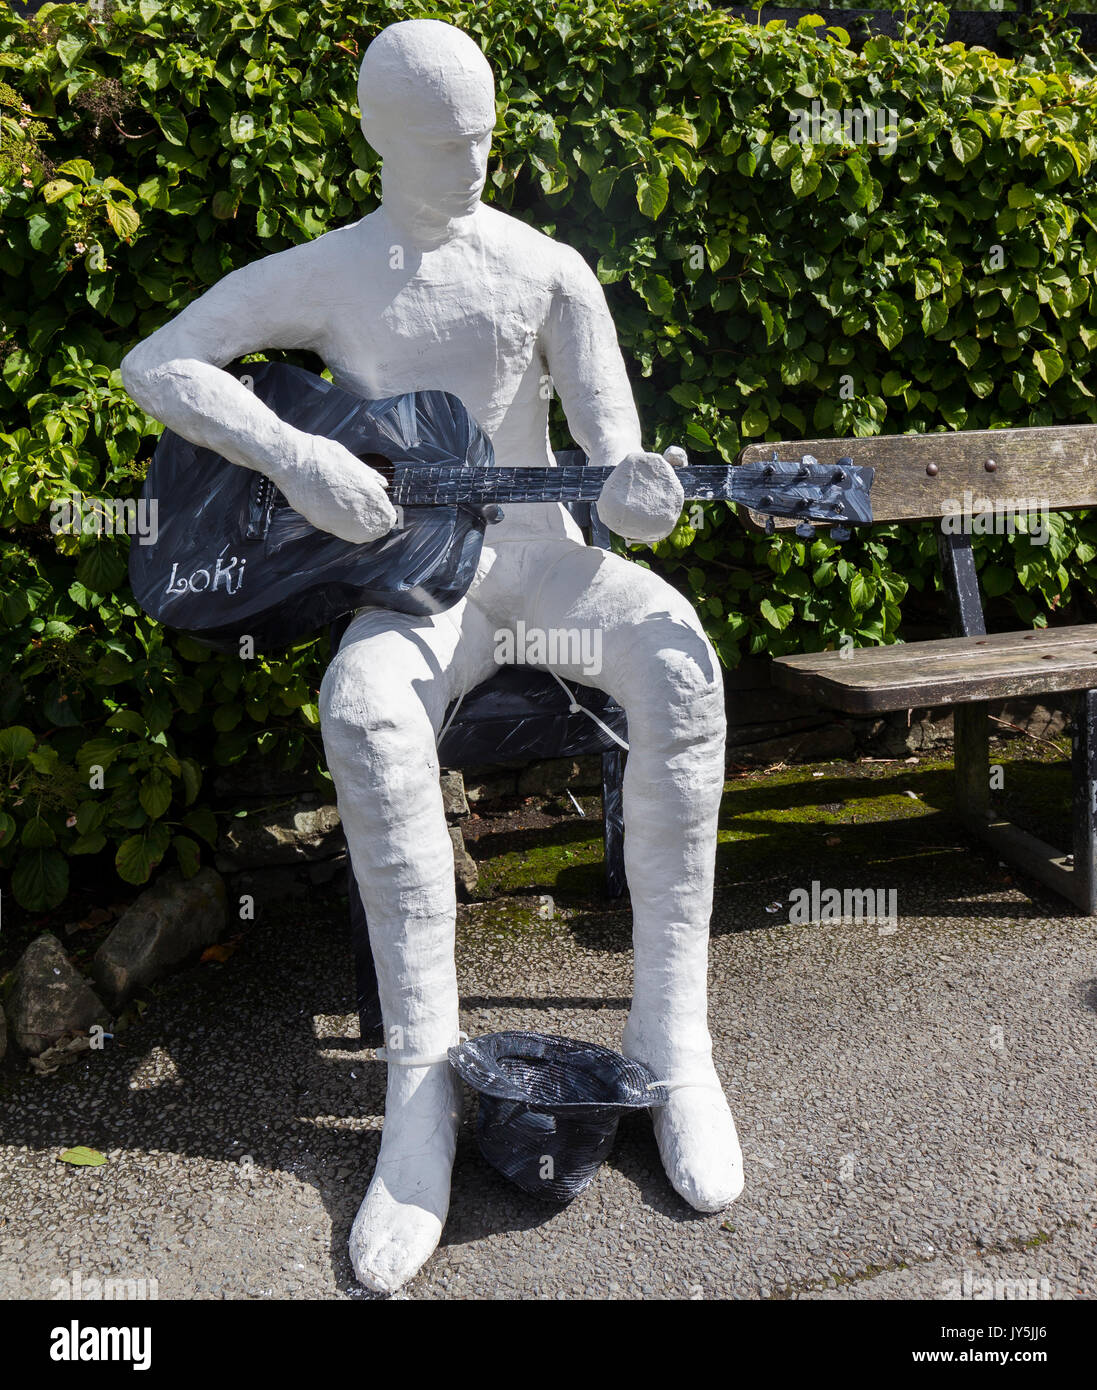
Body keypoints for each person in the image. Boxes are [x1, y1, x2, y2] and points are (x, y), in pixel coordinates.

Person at [121, 18, 743, 1294]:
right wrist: (299, 455)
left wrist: (640, 501)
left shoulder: (549, 267)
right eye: (435, 139)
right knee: (361, 699)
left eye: (480, 134)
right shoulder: (336, 271)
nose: (466, 158)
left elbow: (612, 464)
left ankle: (672, 1044)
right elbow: (159, 362)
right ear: (372, 134)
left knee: (683, 663)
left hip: (547, 561)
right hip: (423, 582)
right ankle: (420, 1087)